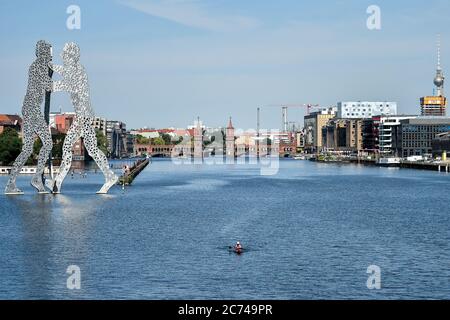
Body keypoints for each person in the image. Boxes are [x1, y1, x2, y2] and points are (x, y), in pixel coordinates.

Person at [45, 42, 118, 194]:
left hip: (83, 116)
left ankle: (58, 182)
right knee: (92, 150)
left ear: (71, 56)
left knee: (68, 147)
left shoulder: (78, 70)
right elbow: (64, 72)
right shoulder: (74, 69)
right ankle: (110, 176)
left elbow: (69, 84)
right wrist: (52, 66)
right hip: (84, 115)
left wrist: (52, 86)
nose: (62, 57)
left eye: (65, 55)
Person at [5, 40, 53, 194]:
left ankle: (12, 183)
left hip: (29, 108)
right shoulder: (39, 67)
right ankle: (36, 178)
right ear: (43, 53)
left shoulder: (35, 66)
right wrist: (51, 73)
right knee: (47, 143)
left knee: (28, 149)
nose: (50, 56)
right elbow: (49, 87)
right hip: (32, 109)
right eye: (49, 53)